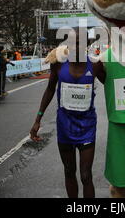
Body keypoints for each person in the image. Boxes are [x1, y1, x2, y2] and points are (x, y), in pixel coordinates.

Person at [29, 28, 105, 198]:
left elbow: (112, 86)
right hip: (64, 126)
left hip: (87, 127)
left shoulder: (95, 65)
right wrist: (37, 119)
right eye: (71, 42)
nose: (75, 46)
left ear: (87, 44)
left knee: (86, 175)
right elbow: (49, 90)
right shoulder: (58, 65)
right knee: (69, 171)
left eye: (79, 42)